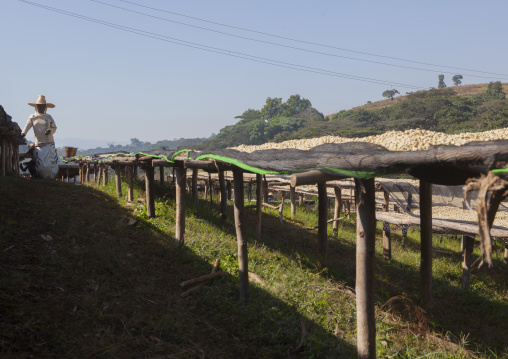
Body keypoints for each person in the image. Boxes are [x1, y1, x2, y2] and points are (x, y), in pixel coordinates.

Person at [21, 95, 58, 179]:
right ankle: (42, 177)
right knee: (41, 164)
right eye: (39, 106)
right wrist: (23, 133)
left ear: (45, 107)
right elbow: (26, 127)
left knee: (50, 163)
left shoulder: (49, 117)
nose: (41, 107)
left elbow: (54, 127)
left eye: (42, 106)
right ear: (36, 107)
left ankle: (51, 178)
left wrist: (49, 130)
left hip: (49, 144)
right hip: (39, 145)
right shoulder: (32, 117)